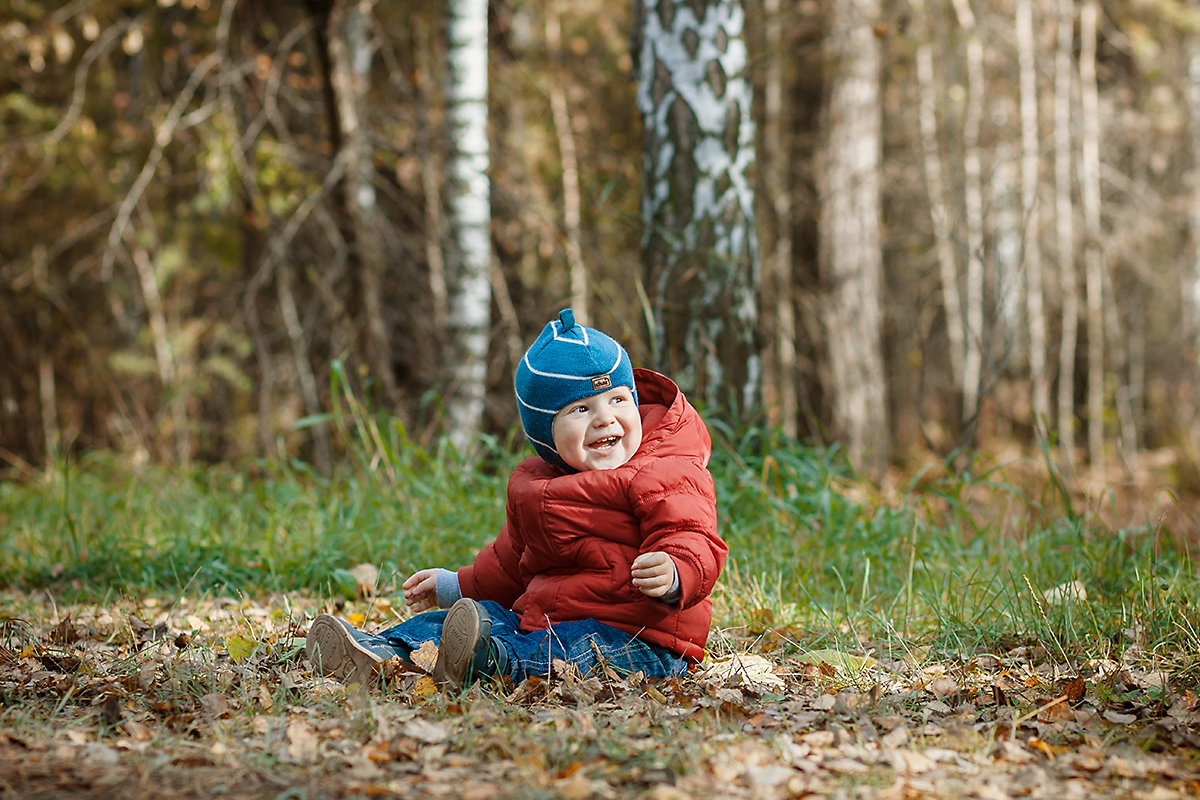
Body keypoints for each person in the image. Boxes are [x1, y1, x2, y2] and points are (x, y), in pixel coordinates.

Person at [306, 308, 726, 691]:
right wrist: (455, 585)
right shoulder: (535, 488)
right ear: (546, 434)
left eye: (618, 399)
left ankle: (486, 661)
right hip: (542, 621)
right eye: (580, 410)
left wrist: (676, 572)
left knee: (572, 649)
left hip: (637, 637)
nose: (604, 418)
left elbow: (692, 533)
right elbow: (510, 563)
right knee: (473, 617)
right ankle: (381, 652)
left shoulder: (663, 468)